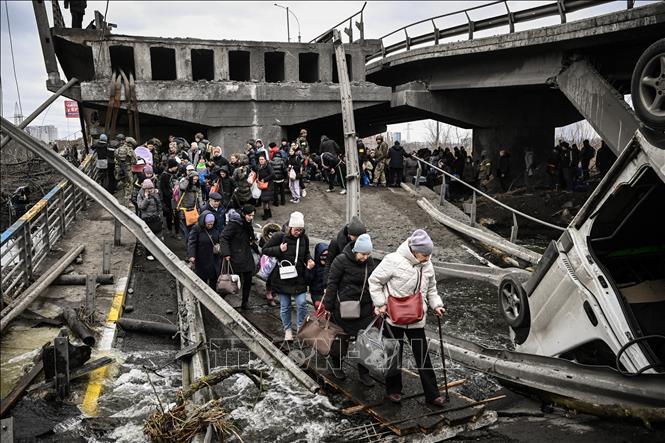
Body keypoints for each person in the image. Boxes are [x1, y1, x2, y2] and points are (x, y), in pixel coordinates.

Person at [368, 229, 447, 407]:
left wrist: (437, 305)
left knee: (423, 357)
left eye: (429, 254)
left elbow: (432, 290)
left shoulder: (427, 265)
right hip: (393, 317)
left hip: (417, 318)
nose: (427, 257)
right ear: (413, 249)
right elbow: (374, 281)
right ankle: (393, 391)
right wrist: (380, 304)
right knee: (394, 355)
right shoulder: (392, 260)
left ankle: (433, 395)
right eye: (424, 254)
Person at [323, 233, 376, 385]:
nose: (365, 257)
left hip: (364, 308)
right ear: (355, 251)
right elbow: (332, 283)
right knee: (340, 340)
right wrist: (328, 306)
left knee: (364, 342)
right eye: (363, 254)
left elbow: (374, 282)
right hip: (342, 308)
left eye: (368, 254)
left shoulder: (369, 262)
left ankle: (364, 373)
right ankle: (337, 365)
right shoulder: (341, 260)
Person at [261, 211, 315, 341]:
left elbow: (306, 252)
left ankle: (301, 328)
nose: (299, 232)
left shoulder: (304, 238)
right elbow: (265, 250)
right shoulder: (280, 236)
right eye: (296, 230)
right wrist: (279, 249)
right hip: (282, 277)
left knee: (302, 303)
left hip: (298, 276)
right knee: (285, 306)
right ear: (290, 227)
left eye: (301, 230)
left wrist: (309, 260)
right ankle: (288, 330)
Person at [220, 205, 258, 310]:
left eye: (253, 216)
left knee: (248, 279)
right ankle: (220, 297)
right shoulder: (234, 224)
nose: (251, 218)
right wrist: (226, 253)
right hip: (235, 256)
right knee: (231, 281)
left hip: (246, 255)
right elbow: (224, 237)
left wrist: (258, 249)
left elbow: (250, 239)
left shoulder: (248, 224)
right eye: (249, 215)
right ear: (243, 214)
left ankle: (245, 302)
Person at [325, 216, 366, 283]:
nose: (358, 239)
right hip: (340, 278)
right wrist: (326, 284)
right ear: (349, 234)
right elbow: (329, 263)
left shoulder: (362, 242)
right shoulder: (336, 242)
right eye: (356, 237)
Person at [188, 212, 221, 289]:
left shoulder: (215, 228)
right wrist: (192, 255)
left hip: (214, 258)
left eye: (212, 224)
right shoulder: (197, 228)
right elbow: (192, 242)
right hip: (202, 258)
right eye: (208, 224)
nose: (210, 226)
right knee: (202, 280)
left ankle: (212, 295)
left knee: (214, 279)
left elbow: (220, 239)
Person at [137, 179, 163, 260]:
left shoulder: (155, 193)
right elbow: (141, 207)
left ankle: (158, 253)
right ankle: (148, 253)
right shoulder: (140, 195)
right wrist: (146, 198)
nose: (150, 190)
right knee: (148, 237)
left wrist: (159, 215)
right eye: (148, 189)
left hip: (155, 217)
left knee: (158, 236)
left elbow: (159, 204)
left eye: (151, 188)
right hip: (146, 218)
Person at [259, 222, 282, 307]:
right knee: (270, 277)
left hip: (277, 260)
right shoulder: (264, 239)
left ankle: (273, 292)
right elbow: (263, 249)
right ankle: (269, 294)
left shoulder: (279, 239)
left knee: (277, 277)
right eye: (270, 234)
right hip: (268, 261)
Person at [175, 175, 201, 246]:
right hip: (184, 211)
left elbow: (198, 200)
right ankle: (189, 246)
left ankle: (191, 245)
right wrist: (187, 179)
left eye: (196, 180)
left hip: (193, 211)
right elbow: (183, 187)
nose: (195, 181)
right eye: (194, 179)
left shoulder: (195, 188)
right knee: (187, 230)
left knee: (192, 230)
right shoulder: (184, 186)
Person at [114, 136, 138, 207]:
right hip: (127, 170)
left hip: (119, 170)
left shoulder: (117, 149)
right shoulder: (130, 150)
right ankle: (127, 202)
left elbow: (115, 160)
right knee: (129, 185)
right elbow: (135, 162)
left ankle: (119, 202)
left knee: (122, 184)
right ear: (131, 143)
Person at [159, 158, 180, 238]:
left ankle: (177, 232)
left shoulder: (175, 174)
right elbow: (162, 188)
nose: (176, 168)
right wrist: (170, 193)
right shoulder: (164, 175)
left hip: (176, 198)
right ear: (172, 166)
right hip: (168, 199)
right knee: (169, 215)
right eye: (175, 166)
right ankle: (170, 230)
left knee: (177, 215)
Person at [256, 155, 275, 220]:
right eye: (260, 159)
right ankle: (269, 214)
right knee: (265, 200)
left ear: (265, 160)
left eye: (262, 159)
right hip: (263, 185)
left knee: (265, 201)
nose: (261, 161)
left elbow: (273, 174)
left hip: (268, 185)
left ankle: (266, 215)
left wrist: (265, 179)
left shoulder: (268, 166)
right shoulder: (259, 166)